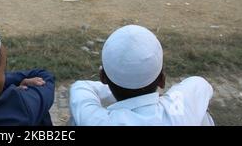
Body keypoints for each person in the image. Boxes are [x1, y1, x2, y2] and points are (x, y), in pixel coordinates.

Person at [70, 25, 215, 126]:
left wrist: (125, 81)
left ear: (102, 77)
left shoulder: (97, 121)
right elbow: (200, 85)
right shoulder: (178, 111)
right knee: (201, 116)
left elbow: (80, 88)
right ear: (162, 80)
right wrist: (141, 87)